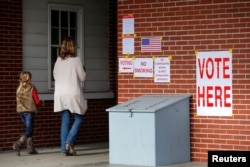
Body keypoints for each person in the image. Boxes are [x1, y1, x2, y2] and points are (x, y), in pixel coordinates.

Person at [53, 37, 87, 156]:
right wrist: (84, 70)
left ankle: (64, 148)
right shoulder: (76, 60)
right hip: (72, 93)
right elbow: (82, 78)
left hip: (60, 93)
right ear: (73, 47)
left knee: (65, 120)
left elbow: (55, 76)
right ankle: (68, 141)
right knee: (79, 118)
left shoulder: (58, 61)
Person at [13, 71, 44, 156]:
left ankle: (30, 148)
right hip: (29, 111)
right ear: (29, 78)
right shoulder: (32, 88)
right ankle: (18, 144)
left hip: (21, 112)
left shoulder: (18, 88)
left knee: (29, 129)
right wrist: (42, 103)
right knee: (29, 130)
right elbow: (37, 101)